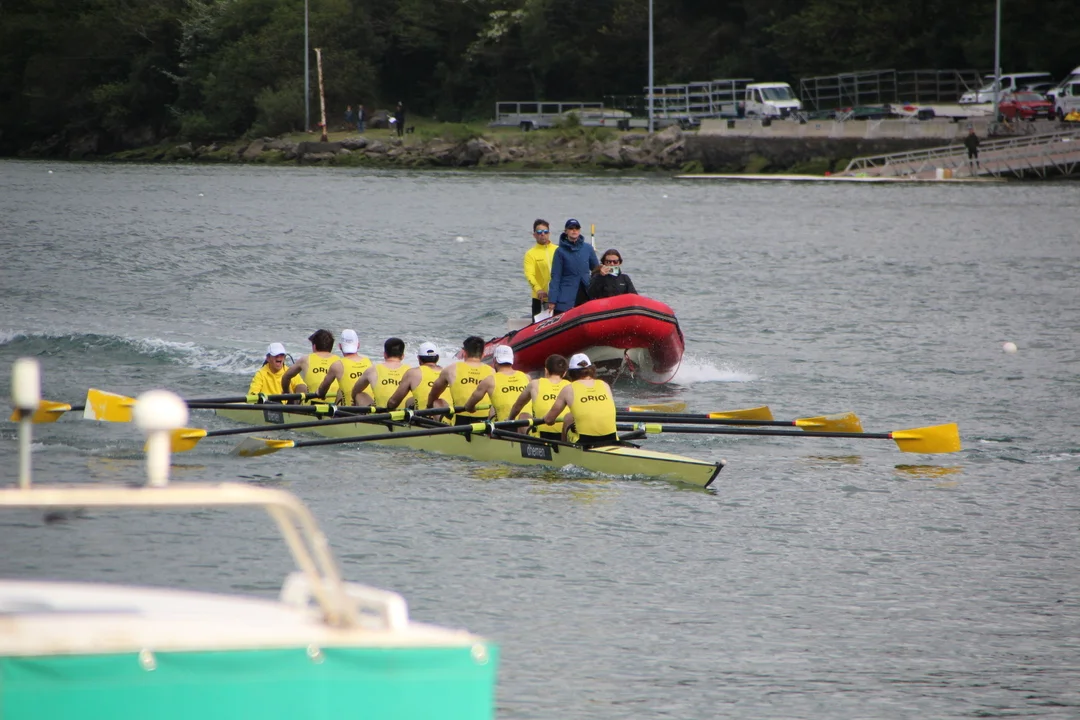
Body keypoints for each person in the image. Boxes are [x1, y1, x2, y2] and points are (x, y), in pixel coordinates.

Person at [542, 353, 618, 447]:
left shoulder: (568, 389)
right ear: (591, 369)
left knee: (568, 417)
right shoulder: (605, 385)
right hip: (612, 439)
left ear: (570, 372)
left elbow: (549, 420)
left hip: (584, 443)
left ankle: (563, 449)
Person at [427, 336, 494, 425]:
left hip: (459, 422)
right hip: (484, 422)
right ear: (483, 355)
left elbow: (433, 394)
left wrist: (428, 408)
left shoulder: (451, 369)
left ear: (464, 353)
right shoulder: (492, 371)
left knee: (437, 402)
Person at [507, 354, 570, 441]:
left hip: (542, 436)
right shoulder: (570, 386)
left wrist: (509, 420)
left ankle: (523, 445)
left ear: (546, 370)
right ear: (565, 373)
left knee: (523, 415)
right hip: (565, 434)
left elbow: (517, 406)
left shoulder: (534, 384)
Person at [463, 345, 530, 422]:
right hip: (528, 425)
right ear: (512, 360)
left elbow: (468, 406)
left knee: (492, 410)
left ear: (495, 360)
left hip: (505, 426)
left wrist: (472, 409)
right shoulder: (527, 377)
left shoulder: (489, 380)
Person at [547, 218, 598, 314]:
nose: (574, 230)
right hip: (566, 296)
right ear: (566, 231)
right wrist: (552, 300)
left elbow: (596, 271)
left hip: (586, 293)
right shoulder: (559, 251)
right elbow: (556, 277)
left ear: (579, 230)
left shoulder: (588, 248)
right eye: (571, 228)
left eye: (577, 228)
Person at [350, 337, 412, 408]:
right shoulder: (411, 371)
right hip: (406, 413)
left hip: (381, 413)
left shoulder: (372, 370)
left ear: (385, 354)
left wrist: (354, 400)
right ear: (403, 356)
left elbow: (355, 391)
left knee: (359, 395)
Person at [385, 341, 447, 410]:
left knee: (410, 401)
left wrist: (387, 409)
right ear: (437, 358)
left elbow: (393, 402)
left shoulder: (413, 373)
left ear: (419, 358)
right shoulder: (447, 372)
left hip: (425, 415)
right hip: (450, 414)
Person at [316, 329, 372, 404]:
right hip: (370, 407)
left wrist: (319, 393)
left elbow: (322, 390)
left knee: (340, 392)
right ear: (358, 345)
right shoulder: (369, 362)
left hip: (349, 410)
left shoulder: (337, 365)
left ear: (340, 346)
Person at [280, 329, 340, 399]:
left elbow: (285, 377)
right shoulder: (339, 361)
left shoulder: (305, 359)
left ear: (314, 346)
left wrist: (287, 392)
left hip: (311, 403)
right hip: (335, 404)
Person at [523, 219, 556, 317]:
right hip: (539, 298)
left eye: (545, 231)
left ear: (549, 233)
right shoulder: (530, 254)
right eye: (539, 232)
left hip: (556, 297)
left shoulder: (558, 250)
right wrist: (538, 290)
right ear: (534, 235)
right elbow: (529, 275)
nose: (542, 234)